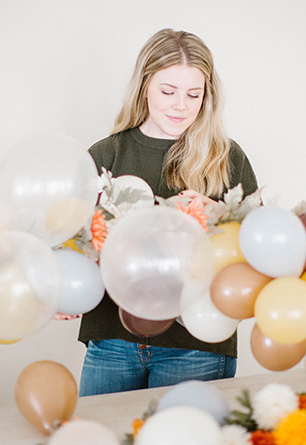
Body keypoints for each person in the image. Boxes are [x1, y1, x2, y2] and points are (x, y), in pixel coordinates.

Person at [77, 28, 258, 397]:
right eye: (167, 91)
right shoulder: (105, 155)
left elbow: (259, 250)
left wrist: (220, 220)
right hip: (112, 340)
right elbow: (72, 238)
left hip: (197, 345)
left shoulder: (227, 159)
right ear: (144, 87)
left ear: (207, 95)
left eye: (193, 94)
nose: (181, 105)